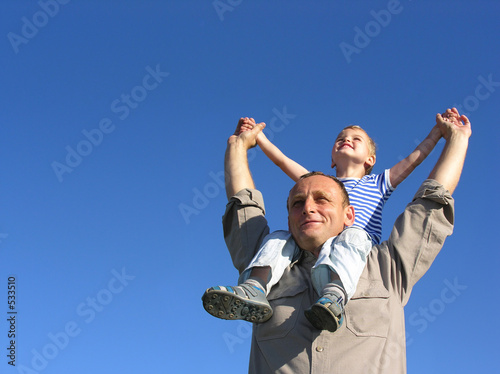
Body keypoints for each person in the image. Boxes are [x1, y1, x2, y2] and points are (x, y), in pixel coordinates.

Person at [204, 108, 470, 373]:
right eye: (297, 203)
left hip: (360, 245)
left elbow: (430, 196)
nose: (308, 207)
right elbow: (249, 198)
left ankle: (335, 293)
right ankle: (254, 287)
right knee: (276, 239)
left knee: (353, 237)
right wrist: (247, 143)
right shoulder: (271, 254)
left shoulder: (388, 267)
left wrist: (445, 136)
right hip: (283, 258)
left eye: (322, 199)